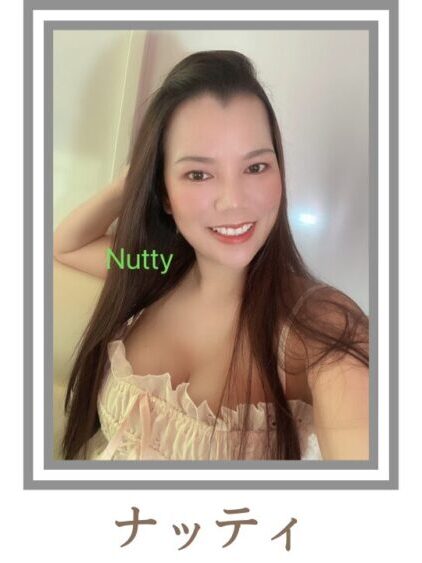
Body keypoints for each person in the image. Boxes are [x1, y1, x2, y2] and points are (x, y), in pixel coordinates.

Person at [54, 50, 369, 461]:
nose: (233, 201)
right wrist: (131, 181)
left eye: (255, 167)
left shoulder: (319, 326)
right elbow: (68, 245)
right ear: (165, 193)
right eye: (198, 174)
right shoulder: (158, 269)